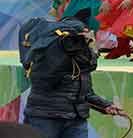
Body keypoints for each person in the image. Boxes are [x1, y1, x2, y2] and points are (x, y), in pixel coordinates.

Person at [17, 10, 126, 138]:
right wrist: (74, 55)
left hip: (75, 120)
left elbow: (84, 93)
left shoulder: (80, 59)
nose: (90, 40)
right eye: (86, 37)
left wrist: (104, 105)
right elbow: (45, 81)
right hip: (45, 118)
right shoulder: (49, 54)